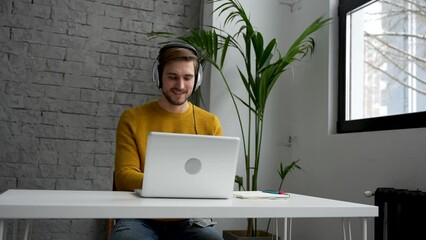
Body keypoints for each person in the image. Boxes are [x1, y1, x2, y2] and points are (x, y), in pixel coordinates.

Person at [110, 43, 223, 240]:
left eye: (187, 78)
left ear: (197, 80)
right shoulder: (132, 118)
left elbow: (216, 180)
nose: (180, 85)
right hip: (138, 216)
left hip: (190, 218)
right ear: (158, 76)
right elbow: (124, 177)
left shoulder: (210, 123)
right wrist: (180, 184)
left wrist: (162, 183)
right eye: (172, 77)